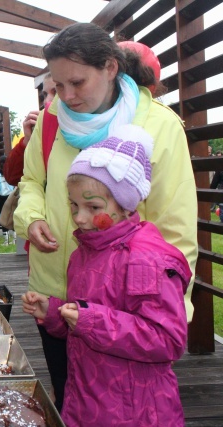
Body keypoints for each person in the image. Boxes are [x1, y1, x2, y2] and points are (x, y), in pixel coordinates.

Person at [13, 22, 197, 412]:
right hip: (55, 294)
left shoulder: (160, 126)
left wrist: (170, 314)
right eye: (58, 86)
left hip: (127, 311)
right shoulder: (51, 119)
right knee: (71, 400)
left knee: (126, 407)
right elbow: (31, 181)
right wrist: (30, 217)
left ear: (111, 68)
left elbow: (176, 231)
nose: (66, 97)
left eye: (77, 83)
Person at [22, 127, 190, 426]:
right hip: (87, 400)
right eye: (73, 205)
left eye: (93, 207)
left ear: (127, 205)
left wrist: (90, 320)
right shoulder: (84, 253)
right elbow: (86, 318)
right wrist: (56, 314)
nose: (79, 217)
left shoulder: (145, 260)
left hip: (134, 410)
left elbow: (166, 339)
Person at [4, 73, 56, 187]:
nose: (47, 101)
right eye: (45, 95)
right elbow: (12, 177)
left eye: (55, 92)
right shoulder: (40, 130)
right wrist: (27, 141)